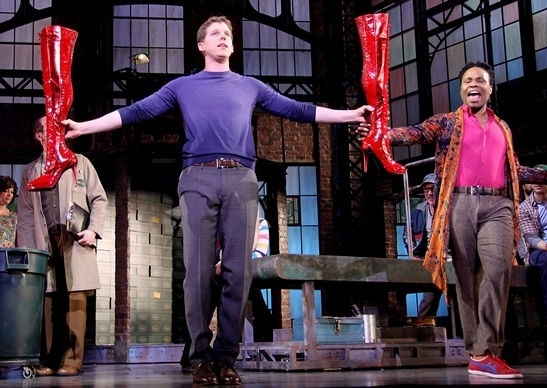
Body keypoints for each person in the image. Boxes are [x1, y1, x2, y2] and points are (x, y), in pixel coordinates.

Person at [61, 15, 371, 386]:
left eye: (228, 34)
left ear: (232, 46)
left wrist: (351, 114)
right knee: (197, 275)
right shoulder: (183, 86)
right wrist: (83, 127)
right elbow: (136, 111)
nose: (223, 38)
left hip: (241, 178)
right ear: (201, 46)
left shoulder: (250, 86)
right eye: (215, 34)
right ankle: (200, 358)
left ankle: (226, 358)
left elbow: (298, 110)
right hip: (197, 177)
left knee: (239, 274)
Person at [358, 61, 547, 379]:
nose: (473, 84)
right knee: (467, 277)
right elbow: (414, 133)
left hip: (499, 203)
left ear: (490, 88)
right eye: (467, 80)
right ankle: (478, 354)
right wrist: (380, 134)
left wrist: (546, 175)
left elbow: (517, 170)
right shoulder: (448, 123)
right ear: (462, 89)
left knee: (499, 270)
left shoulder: (503, 128)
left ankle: (490, 349)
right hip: (460, 201)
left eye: (480, 80)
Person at [17, 116, 108, 377]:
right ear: (39, 136)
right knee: (47, 303)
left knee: (74, 300)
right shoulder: (30, 171)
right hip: (43, 241)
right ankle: (48, 359)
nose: (58, 131)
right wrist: (28, 252)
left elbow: (99, 199)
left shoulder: (81, 163)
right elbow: (24, 215)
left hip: (74, 240)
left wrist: (93, 230)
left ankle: (73, 359)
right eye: (50, 128)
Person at [403, 173, 442, 319]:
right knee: (429, 298)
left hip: (448, 259)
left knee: (456, 296)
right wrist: (413, 254)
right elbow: (407, 234)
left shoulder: (448, 208)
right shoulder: (418, 210)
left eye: (432, 189)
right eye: (426, 190)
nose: (429, 193)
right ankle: (424, 327)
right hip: (429, 260)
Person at [518, 164, 547, 333]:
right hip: (539, 249)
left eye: (542, 179)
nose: (537, 182)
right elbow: (529, 237)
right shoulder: (525, 207)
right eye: (534, 179)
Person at [0, 175, 18, 247]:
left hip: (9, 256)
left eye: (12, 192)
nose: (9, 195)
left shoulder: (15, 216)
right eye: (6, 191)